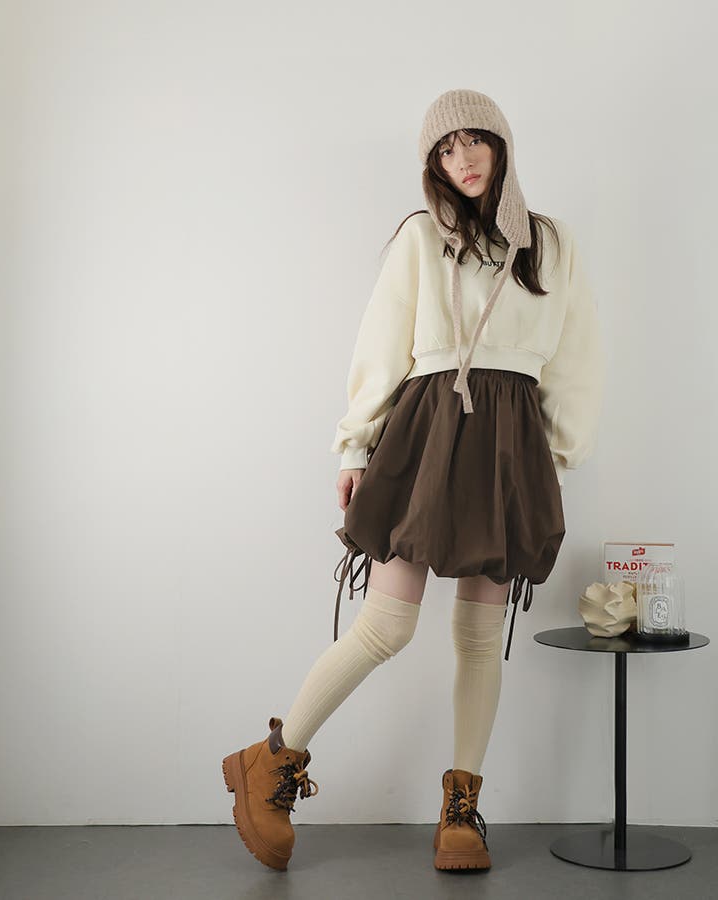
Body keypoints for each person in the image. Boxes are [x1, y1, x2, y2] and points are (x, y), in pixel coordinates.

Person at [222, 88, 604, 875]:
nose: (462, 160)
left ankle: (461, 807)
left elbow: (575, 358)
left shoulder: (551, 244)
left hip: (511, 444)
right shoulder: (421, 237)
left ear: (501, 144)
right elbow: (382, 342)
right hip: (426, 435)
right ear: (433, 164)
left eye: (474, 141)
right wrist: (354, 448)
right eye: (445, 149)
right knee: (386, 627)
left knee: (478, 638)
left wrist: (556, 458)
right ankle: (272, 760)